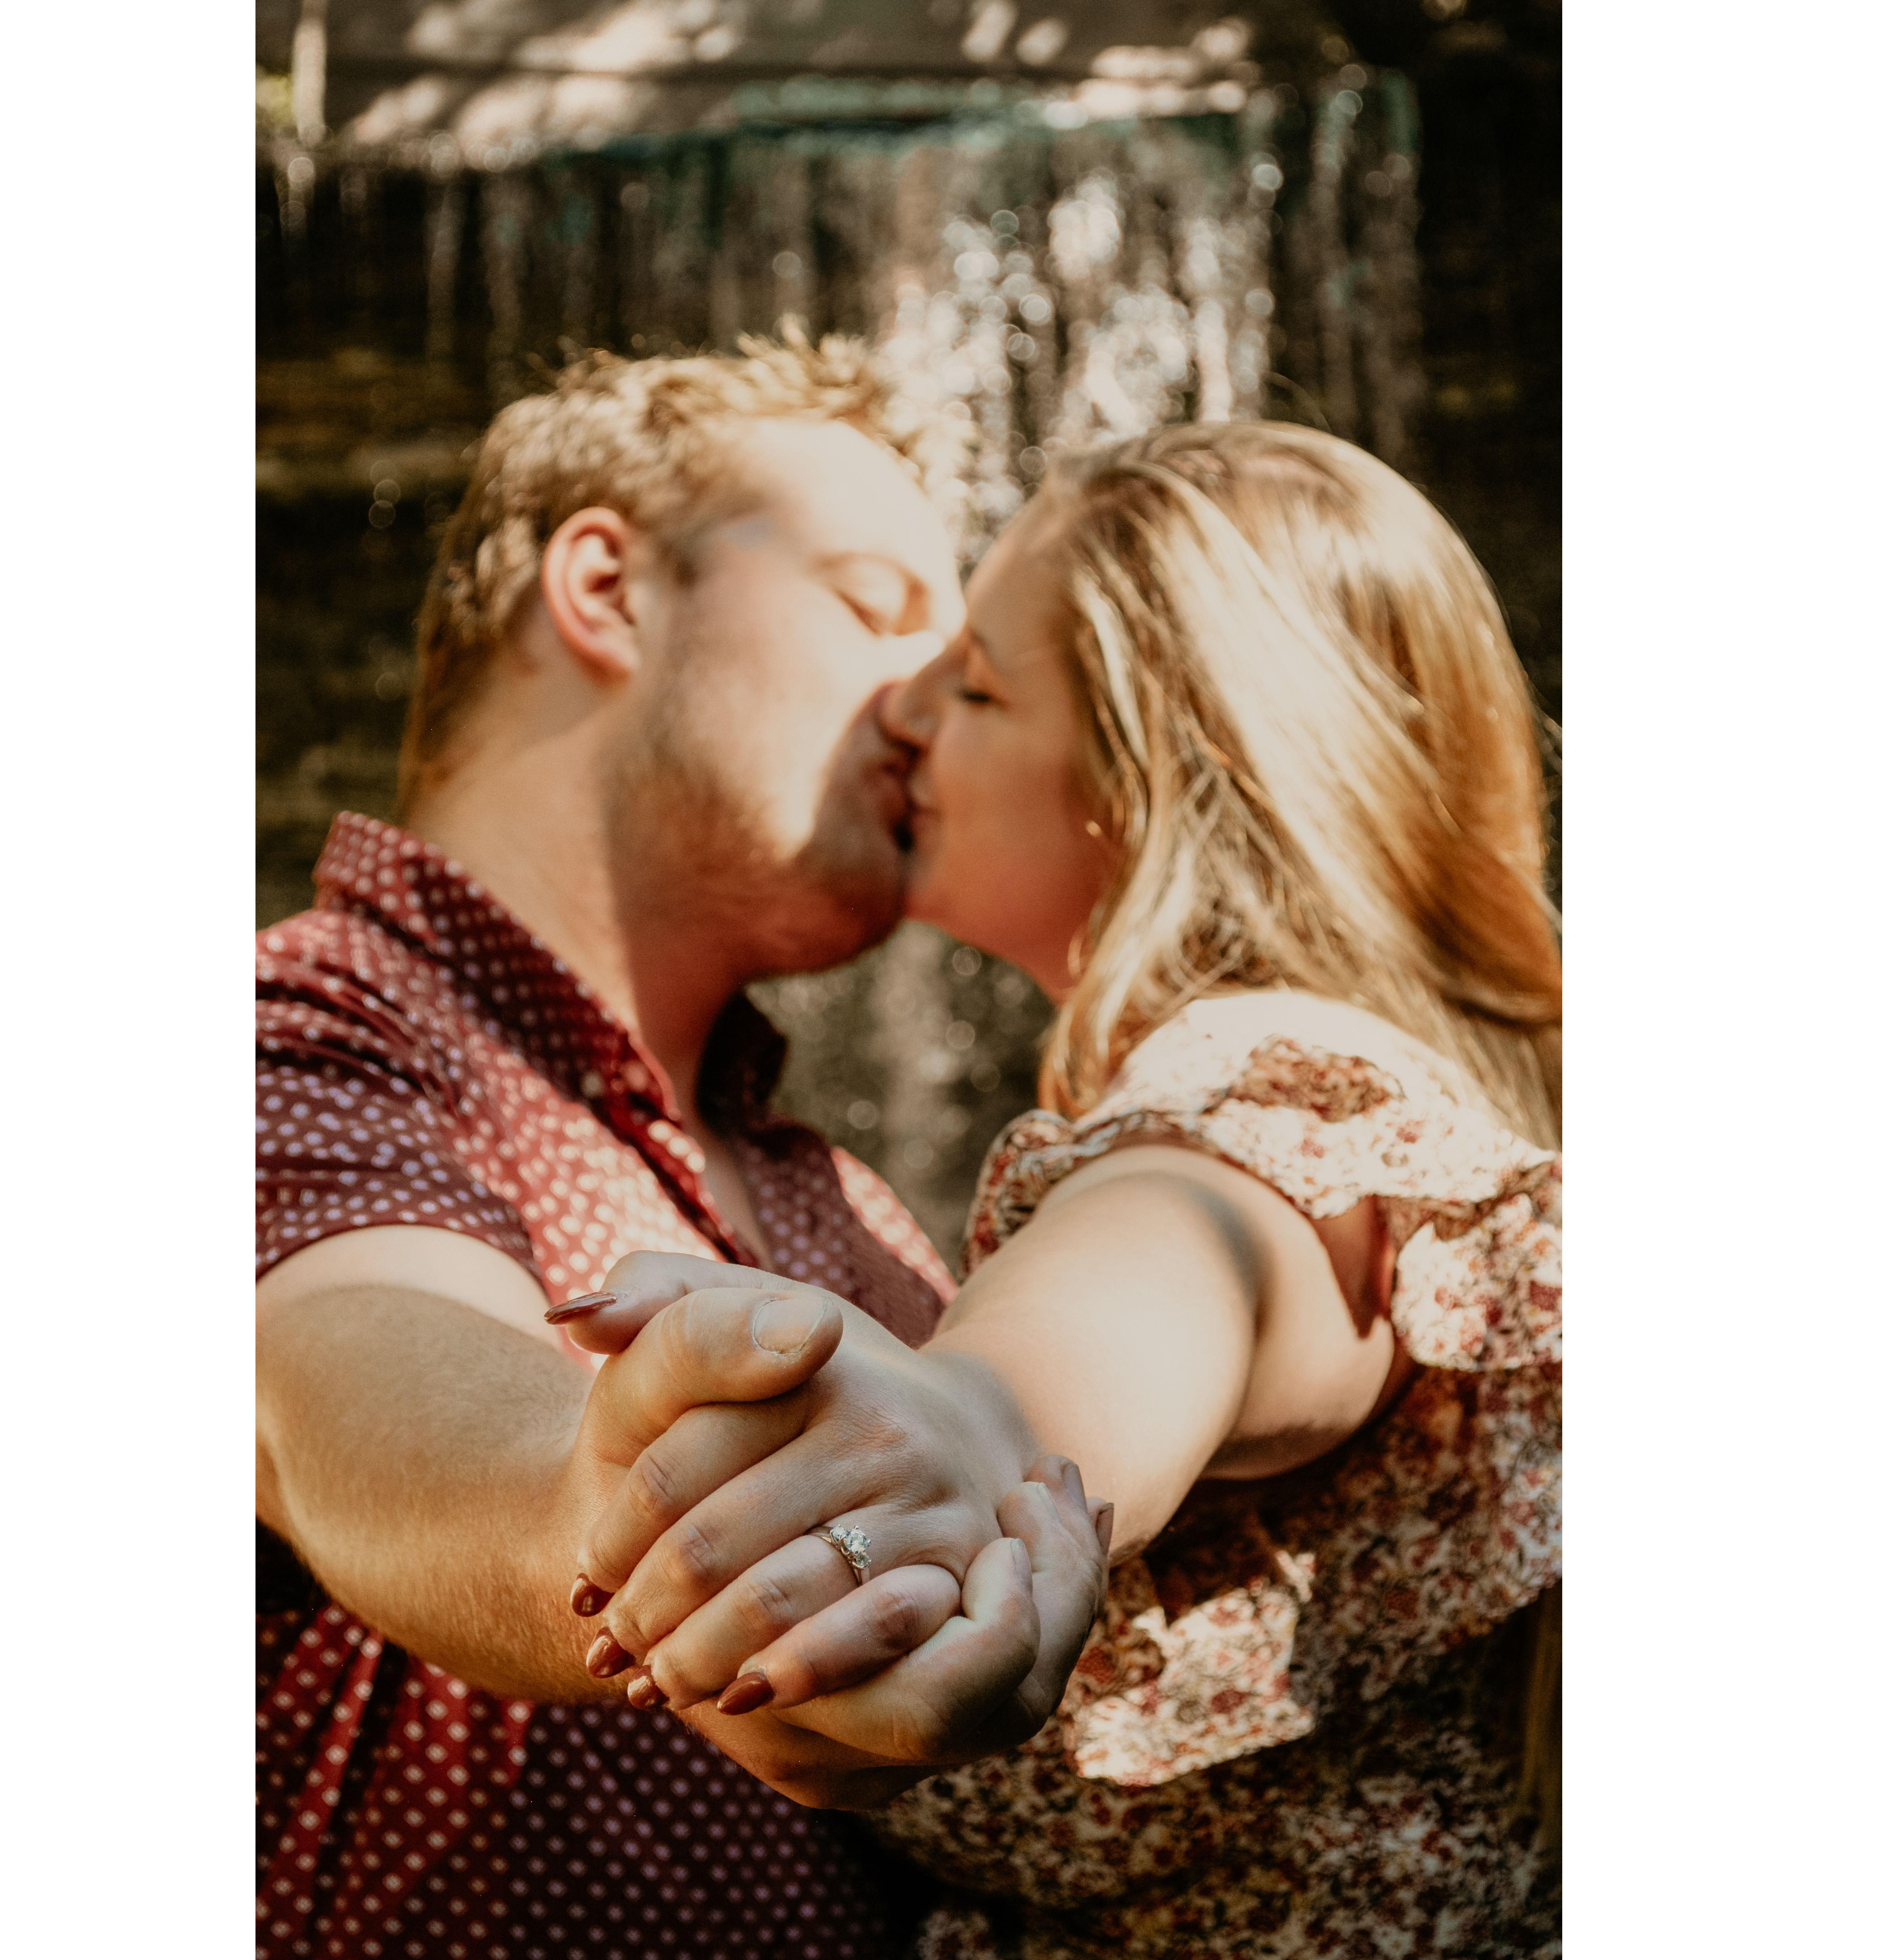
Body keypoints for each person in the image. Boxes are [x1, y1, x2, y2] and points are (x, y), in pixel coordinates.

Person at [553, 420, 1563, 1957]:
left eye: (975, 686)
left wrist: (968, 1433)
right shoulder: (1412, 1113)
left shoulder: (1273, 1098)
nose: (903, 709)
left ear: (1163, 770)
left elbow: (1182, 1261)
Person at [254, 337, 1109, 1960]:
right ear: (606, 588)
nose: (926, 702)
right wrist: (625, 1518)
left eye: (963, 663)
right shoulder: (287, 1032)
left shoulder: (845, 1203)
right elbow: (335, 1388)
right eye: (874, 604)